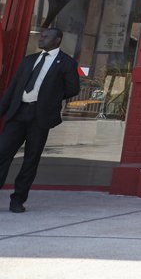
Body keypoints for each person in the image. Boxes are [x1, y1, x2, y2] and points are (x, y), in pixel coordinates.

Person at [0, 26, 80, 214]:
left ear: (57, 40)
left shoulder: (66, 63)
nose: (41, 38)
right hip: (18, 114)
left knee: (30, 159)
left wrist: (50, 98)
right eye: (42, 36)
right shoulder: (29, 60)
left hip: (40, 117)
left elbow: (73, 88)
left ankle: (18, 200)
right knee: (2, 153)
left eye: (46, 36)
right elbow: (13, 88)